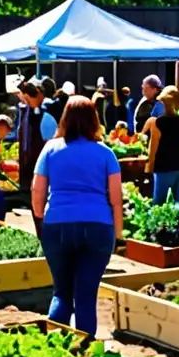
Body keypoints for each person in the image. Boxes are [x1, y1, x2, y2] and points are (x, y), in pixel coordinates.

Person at [33, 96, 122, 336]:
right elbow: (115, 198)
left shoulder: (50, 149)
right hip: (97, 226)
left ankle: (54, 346)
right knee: (85, 295)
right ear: (94, 120)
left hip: (58, 225)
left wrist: (42, 216)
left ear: (65, 119)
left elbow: (37, 190)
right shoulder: (106, 153)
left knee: (62, 291)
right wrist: (119, 234)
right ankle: (85, 351)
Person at [145, 86, 179, 208]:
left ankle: (160, 227)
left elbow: (153, 149)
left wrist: (148, 167)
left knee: (158, 206)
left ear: (163, 103)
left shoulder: (158, 123)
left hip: (164, 167)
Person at [15, 79, 59, 197]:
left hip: (39, 159)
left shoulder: (47, 111)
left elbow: (48, 140)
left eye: (28, 100)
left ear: (39, 95)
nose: (26, 103)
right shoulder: (27, 111)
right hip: (29, 159)